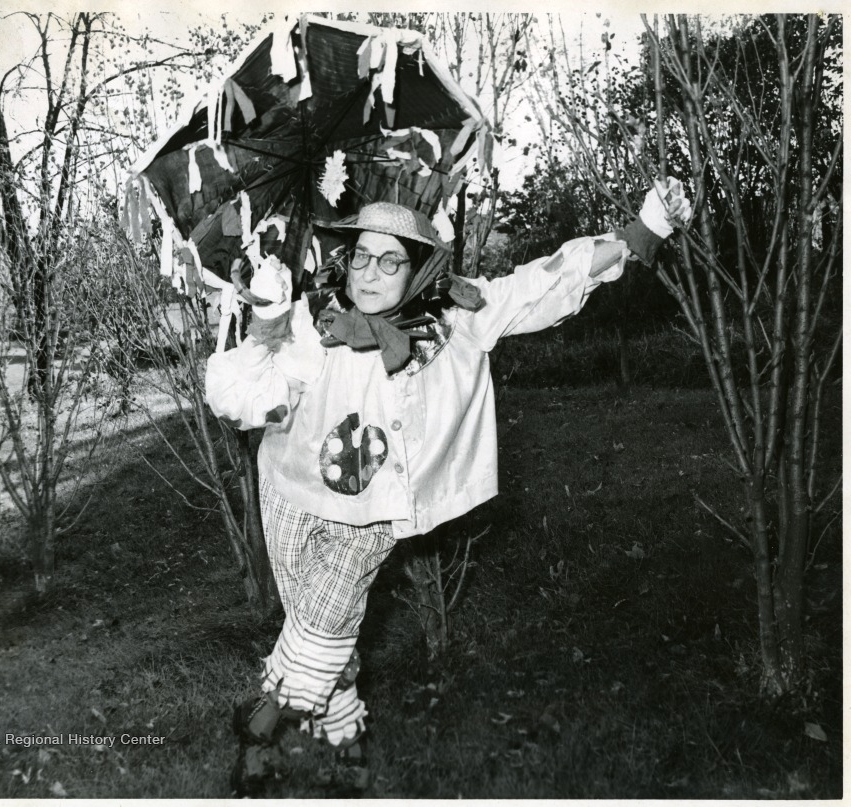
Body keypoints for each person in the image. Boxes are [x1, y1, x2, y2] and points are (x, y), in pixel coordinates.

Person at [205, 181, 692, 795]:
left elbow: (539, 283)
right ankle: (346, 735)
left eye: (390, 260)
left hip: (375, 511)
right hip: (290, 490)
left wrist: (643, 230)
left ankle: (260, 727)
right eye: (361, 256)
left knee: (326, 618)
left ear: (418, 267)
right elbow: (238, 399)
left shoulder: (456, 317)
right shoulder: (313, 319)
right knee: (318, 626)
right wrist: (266, 323)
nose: (371, 272)